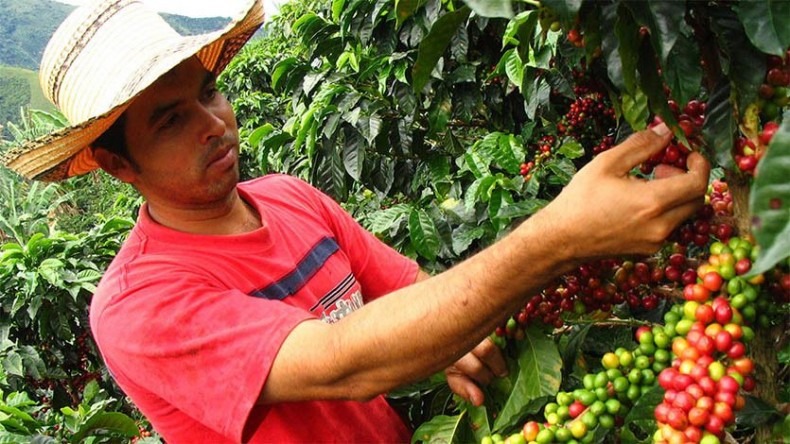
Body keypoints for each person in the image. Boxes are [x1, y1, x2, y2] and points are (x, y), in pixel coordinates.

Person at [0, 0, 710, 442]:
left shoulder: (289, 197)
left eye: (209, 93)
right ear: (118, 165)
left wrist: (457, 340)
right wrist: (557, 238)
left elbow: (408, 292)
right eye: (169, 122)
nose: (213, 124)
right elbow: (345, 361)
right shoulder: (139, 306)